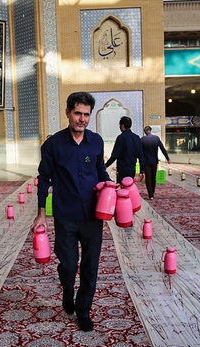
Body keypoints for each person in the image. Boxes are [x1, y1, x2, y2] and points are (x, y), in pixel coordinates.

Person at [32, 92, 111, 332]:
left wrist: (110, 186)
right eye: (78, 113)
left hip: (92, 216)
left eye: (86, 115)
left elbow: (101, 172)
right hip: (65, 215)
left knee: (90, 265)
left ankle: (83, 309)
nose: (82, 119)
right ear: (67, 112)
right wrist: (41, 213)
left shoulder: (96, 142)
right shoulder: (53, 144)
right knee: (68, 265)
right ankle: (68, 292)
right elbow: (43, 178)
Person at [105, 116, 145, 183]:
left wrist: (106, 165)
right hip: (132, 169)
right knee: (129, 187)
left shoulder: (121, 137)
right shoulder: (136, 137)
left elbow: (115, 155)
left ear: (122, 125)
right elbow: (141, 155)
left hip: (122, 169)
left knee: (121, 190)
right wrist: (142, 171)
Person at [141, 126, 170, 200]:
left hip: (146, 162)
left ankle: (150, 195)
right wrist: (167, 158)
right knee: (153, 177)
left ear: (145, 132)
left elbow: (140, 153)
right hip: (154, 161)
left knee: (148, 178)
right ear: (151, 131)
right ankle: (153, 192)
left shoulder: (142, 139)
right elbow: (162, 149)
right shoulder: (156, 138)